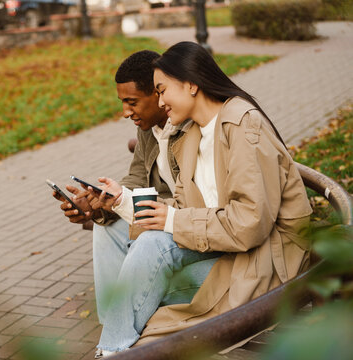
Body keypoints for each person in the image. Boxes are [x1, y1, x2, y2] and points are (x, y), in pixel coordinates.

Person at [87, 41, 312, 356]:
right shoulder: (192, 136)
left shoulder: (241, 124)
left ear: (191, 84)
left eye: (162, 90)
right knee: (145, 246)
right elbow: (186, 211)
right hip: (223, 252)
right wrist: (124, 201)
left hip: (266, 263)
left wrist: (172, 220)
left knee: (150, 254)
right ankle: (114, 347)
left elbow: (249, 225)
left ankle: (112, 349)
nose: (160, 100)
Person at [51, 50, 220, 358]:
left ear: (159, 94)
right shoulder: (148, 130)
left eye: (132, 102)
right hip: (170, 220)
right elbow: (136, 179)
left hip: (196, 229)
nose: (126, 112)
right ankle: (115, 331)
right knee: (108, 228)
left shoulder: (190, 127)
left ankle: (116, 345)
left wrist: (125, 203)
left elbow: (198, 201)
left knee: (148, 240)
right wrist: (97, 205)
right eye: (123, 104)